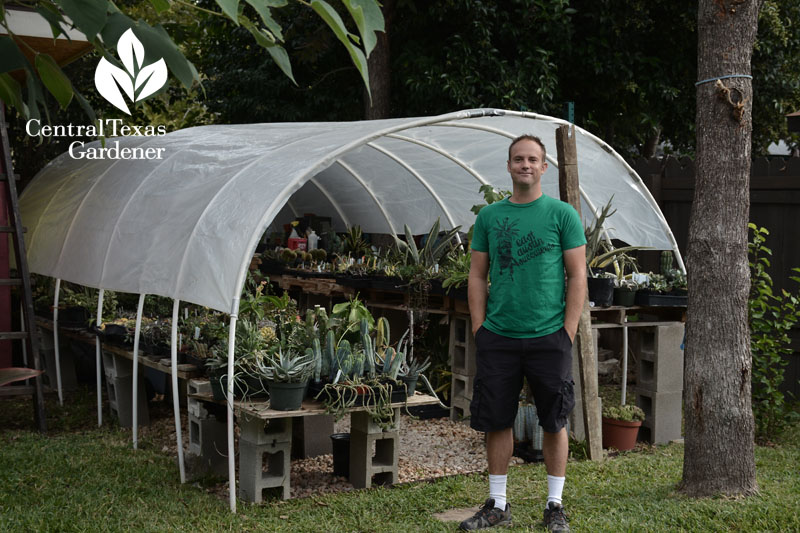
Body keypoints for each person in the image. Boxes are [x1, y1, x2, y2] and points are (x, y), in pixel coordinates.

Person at [459, 135, 586, 532]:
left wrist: (568, 330)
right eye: (519, 159)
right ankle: (497, 503)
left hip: (550, 336)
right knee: (497, 420)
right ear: (509, 166)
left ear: (544, 167)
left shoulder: (562, 214)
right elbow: (477, 275)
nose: (525, 165)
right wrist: (480, 327)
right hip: (499, 335)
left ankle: (554, 505)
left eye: (533, 159)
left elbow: (578, 274)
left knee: (554, 420)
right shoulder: (491, 217)